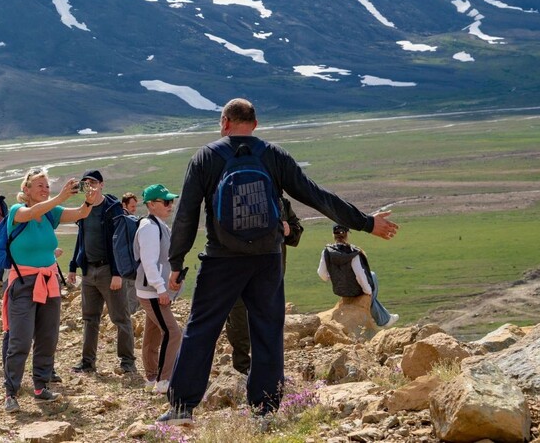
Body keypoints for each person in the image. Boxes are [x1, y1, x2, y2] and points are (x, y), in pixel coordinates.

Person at [159, 98, 399, 425]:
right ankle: (265, 410)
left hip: (221, 259)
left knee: (202, 328)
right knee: (268, 330)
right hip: (266, 258)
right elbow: (317, 196)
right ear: (255, 125)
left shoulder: (206, 157)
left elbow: (186, 214)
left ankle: (181, 409)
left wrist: (176, 262)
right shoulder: (273, 156)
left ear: (224, 123)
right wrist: (366, 223)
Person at [2, 168, 99, 413]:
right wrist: (59, 198)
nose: (45, 189)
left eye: (47, 186)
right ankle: (11, 392)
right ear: (26, 190)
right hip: (24, 283)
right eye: (40, 186)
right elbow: (33, 212)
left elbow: (80, 214)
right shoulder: (18, 211)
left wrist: (88, 199)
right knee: (20, 339)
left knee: (47, 337)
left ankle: (40, 386)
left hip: (49, 282)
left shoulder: (50, 213)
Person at [67, 170, 136, 374]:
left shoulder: (113, 209)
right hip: (88, 270)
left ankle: (127, 362)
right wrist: (73, 266)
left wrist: (117, 273)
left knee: (120, 318)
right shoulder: (84, 209)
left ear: (102, 184)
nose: (90, 186)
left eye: (93, 182)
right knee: (89, 318)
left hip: (108, 270)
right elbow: (81, 238)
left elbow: (119, 243)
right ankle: (88, 362)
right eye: (86, 183)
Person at [225, 198, 304, 375]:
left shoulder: (281, 202)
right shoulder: (235, 197)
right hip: (237, 271)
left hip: (269, 275)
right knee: (239, 322)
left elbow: (295, 232)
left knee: (268, 322)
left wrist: (289, 230)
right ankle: (242, 369)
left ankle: (268, 371)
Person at [134, 184, 183, 395]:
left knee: (153, 333)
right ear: (151, 205)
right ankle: (163, 380)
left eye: (171, 201)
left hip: (153, 290)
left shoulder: (158, 224)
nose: (170, 205)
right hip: (152, 291)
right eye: (166, 202)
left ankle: (152, 376)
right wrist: (161, 289)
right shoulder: (149, 227)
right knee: (173, 332)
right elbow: (148, 262)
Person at [318, 225, 399, 327]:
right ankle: (384, 320)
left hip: (339, 290)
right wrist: (368, 291)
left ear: (333, 235)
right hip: (355, 291)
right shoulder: (352, 253)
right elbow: (360, 275)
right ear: (347, 235)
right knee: (372, 276)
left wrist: (333, 278)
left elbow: (321, 273)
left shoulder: (326, 251)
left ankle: (385, 317)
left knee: (370, 285)